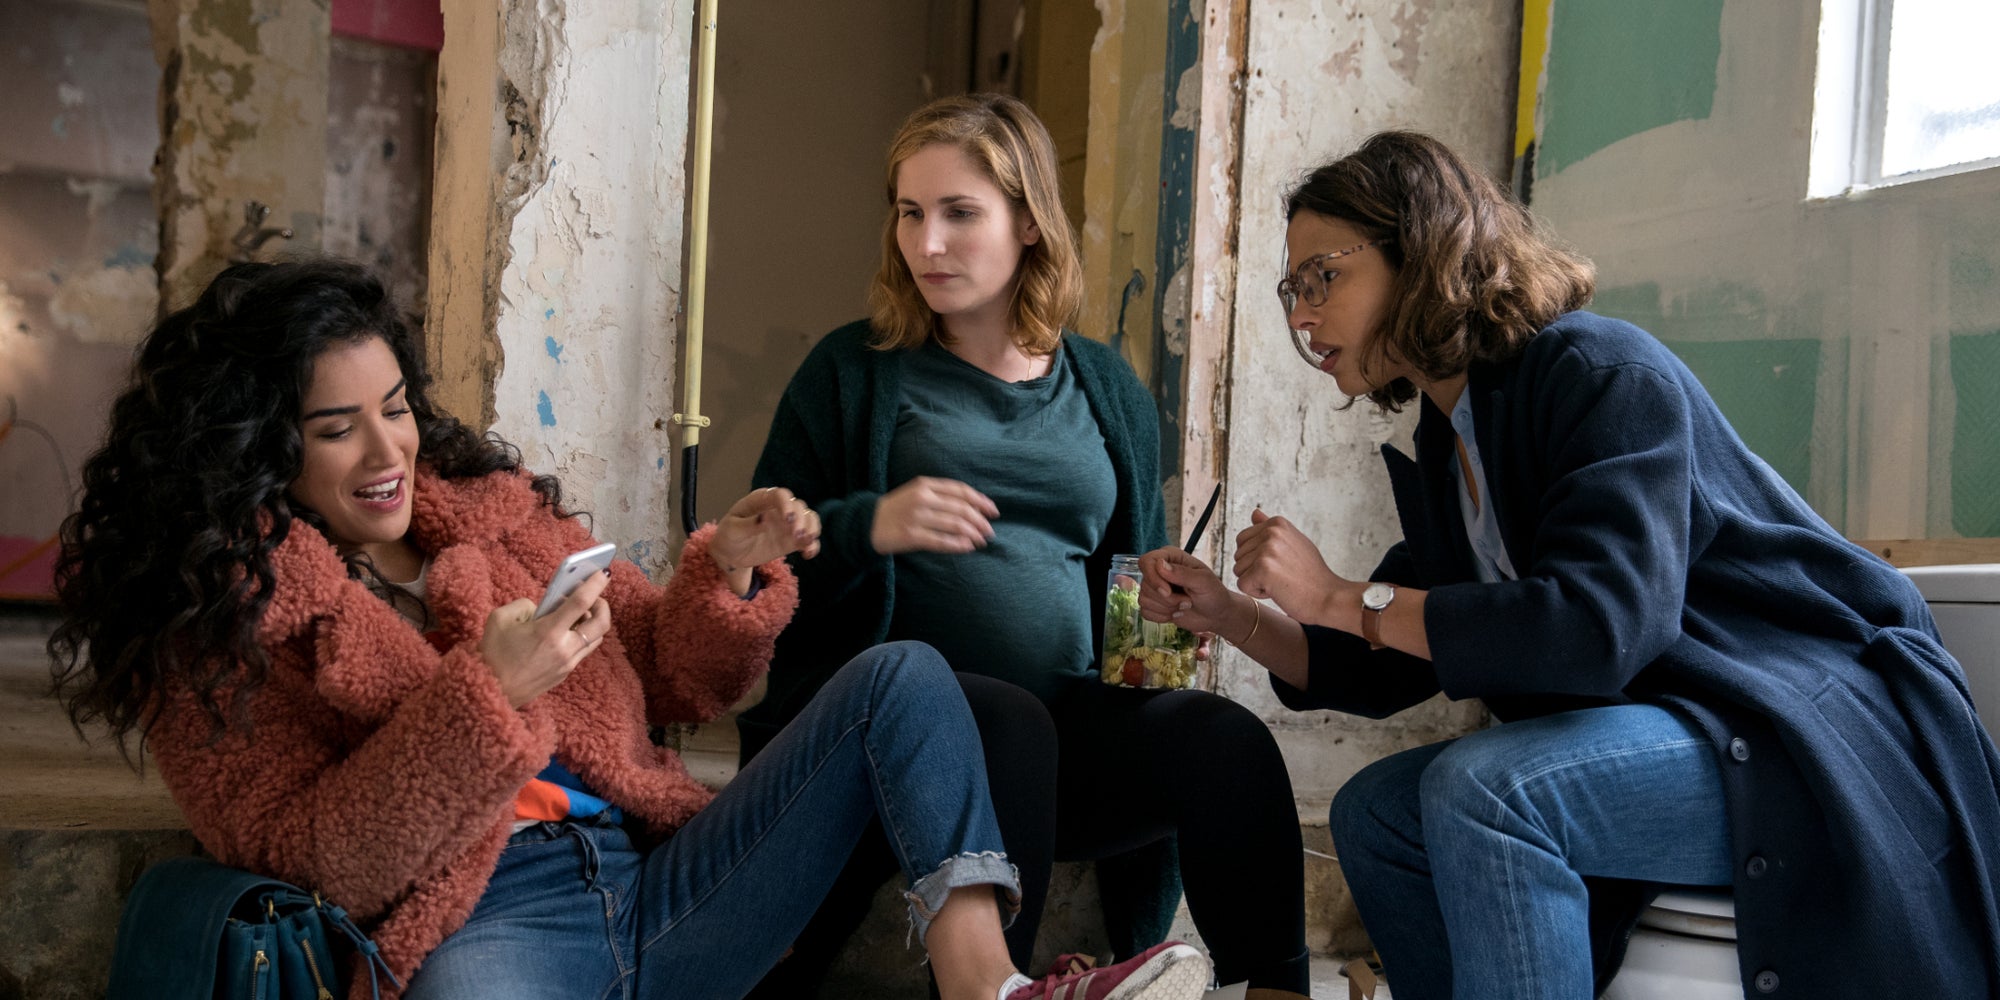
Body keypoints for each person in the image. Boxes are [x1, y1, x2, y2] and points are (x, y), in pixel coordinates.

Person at [47, 258, 1215, 1000]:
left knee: (901, 677)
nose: (390, 450)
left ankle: (989, 990)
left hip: (659, 876)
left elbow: (669, 671)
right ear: (258, 443)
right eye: (337, 428)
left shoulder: (492, 513)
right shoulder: (224, 621)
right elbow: (312, 862)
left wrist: (731, 573)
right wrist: (486, 697)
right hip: (480, 925)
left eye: (397, 408)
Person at [1137, 130, 2000, 999]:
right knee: (1379, 816)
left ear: (1423, 248)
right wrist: (1233, 615)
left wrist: (1338, 592)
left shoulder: (1601, 374)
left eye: (1323, 276)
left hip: (1785, 736)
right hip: (1685, 731)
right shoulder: (1452, 437)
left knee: (1493, 792)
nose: (1300, 313)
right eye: (1294, 287)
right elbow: (1392, 652)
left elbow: (1596, 629)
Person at [740, 93, 1311, 999]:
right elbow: (756, 575)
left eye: (960, 214)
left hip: (1066, 738)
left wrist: (1166, 613)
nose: (927, 244)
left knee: (1223, 739)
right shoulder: (852, 371)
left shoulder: (1106, 386)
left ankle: (1274, 992)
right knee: (1008, 720)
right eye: (910, 213)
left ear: (1031, 224)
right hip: (897, 750)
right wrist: (869, 525)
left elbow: (1129, 605)